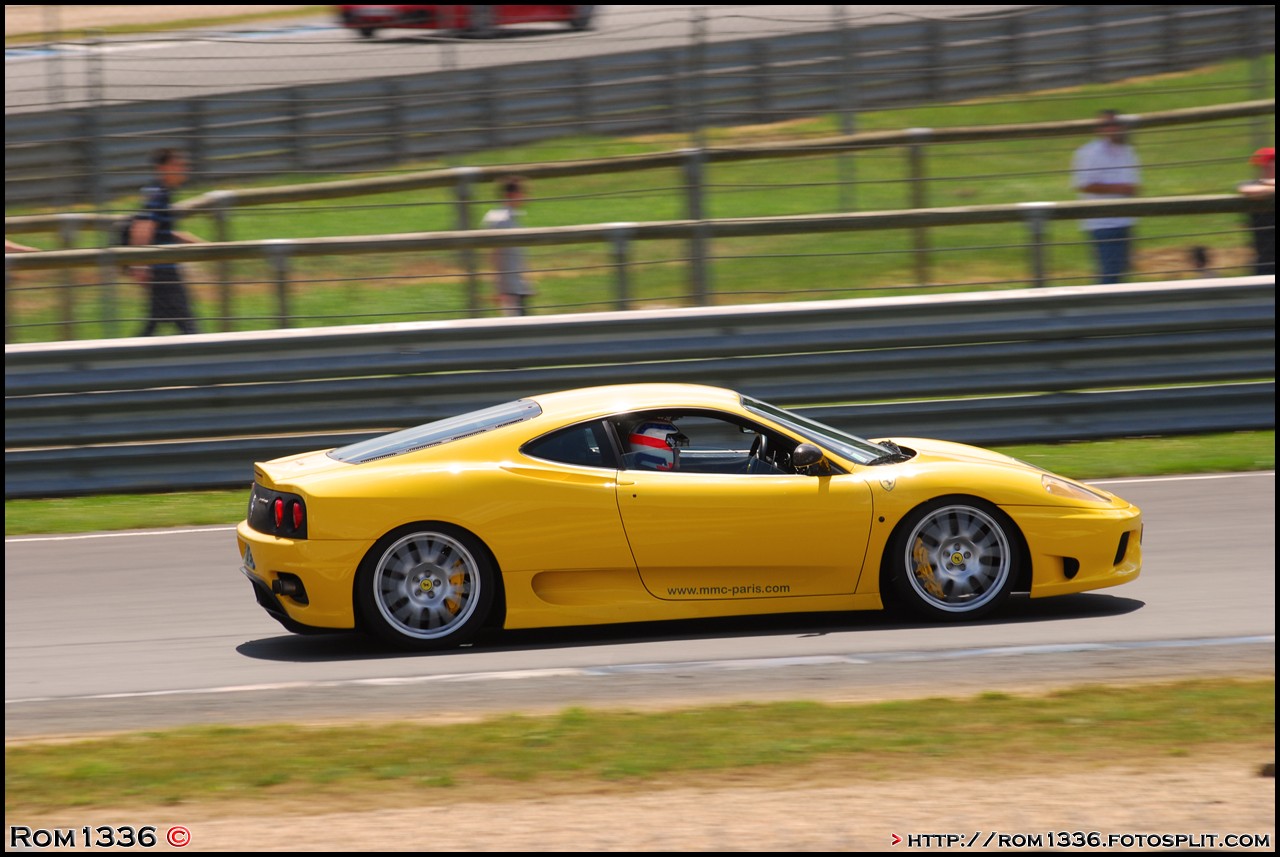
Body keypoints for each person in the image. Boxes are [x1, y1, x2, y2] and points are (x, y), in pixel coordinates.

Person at [129, 148, 202, 336]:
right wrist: (140, 265)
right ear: (162, 168)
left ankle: (127, 358)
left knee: (156, 322)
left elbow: (160, 230)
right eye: (177, 165)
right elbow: (143, 226)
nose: (183, 169)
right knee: (187, 324)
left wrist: (192, 241)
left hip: (162, 268)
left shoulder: (160, 193)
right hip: (163, 270)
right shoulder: (158, 194)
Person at [1072, 109, 1141, 285]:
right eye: (1107, 125)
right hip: (1102, 224)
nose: (1112, 128)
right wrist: (1120, 188)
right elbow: (1085, 184)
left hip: (1125, 221)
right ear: (1099, 129)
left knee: (1120, 274)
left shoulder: (1128, 151)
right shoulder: (1090, 153)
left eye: (1115, 124)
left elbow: (1133, 186)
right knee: (1109, 276)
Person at [480, 175, 535, 316]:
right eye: (522, 193)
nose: (525, 196)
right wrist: (499, 289)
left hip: (518, 286)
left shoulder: (513, 218)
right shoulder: (501, 220)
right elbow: (495, 256)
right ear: (512, 195)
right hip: (510, 289)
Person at [1238, 146, 1275, 276]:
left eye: (1266, 166)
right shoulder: (1253, 184)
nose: (1261, 169)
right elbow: (1247, 190)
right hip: (1265, 257)